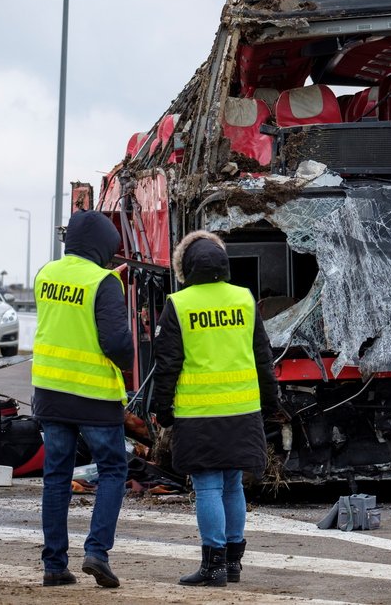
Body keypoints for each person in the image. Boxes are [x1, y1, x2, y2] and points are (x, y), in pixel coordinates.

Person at [151, 230, 281, 588]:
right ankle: (235, 563)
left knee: (207, 486)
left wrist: (162, 409)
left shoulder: (179, 304)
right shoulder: (243, 299)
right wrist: (271, 403)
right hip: (242, 412)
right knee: (233, 483)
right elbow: (262, 357)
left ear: (186, 266)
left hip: (199, 414)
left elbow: (167, 364)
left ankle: (213, 566)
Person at [31, 210, 134, 588]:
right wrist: (128, 362)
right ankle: (96, 552)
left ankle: (55, 566)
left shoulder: (46, 274)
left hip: (50, 394)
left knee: (56, 477)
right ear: (103, 247)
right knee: (113, 469)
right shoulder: (103, 281)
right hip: (93, 396)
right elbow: (116, 342)